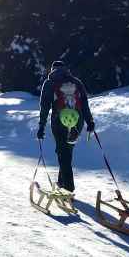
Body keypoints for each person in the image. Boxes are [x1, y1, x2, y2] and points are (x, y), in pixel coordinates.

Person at [37, 61, 95, 193]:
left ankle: (68, 188)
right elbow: (84, 103)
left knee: (63, 152)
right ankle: (62, 181)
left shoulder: (50, 82)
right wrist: (89, 121)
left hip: (59, 121)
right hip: (77, 121)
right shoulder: (76, 82)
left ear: (52, 70)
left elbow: (45, 106)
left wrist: (41, 126)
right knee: (66, 151)